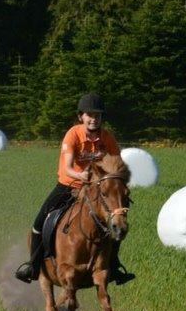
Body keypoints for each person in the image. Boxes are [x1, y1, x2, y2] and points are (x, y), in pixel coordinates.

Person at [14, 92, 135, 284]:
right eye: (89, 115)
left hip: (95, 190)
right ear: (81, 117)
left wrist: (117, 183)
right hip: (69, 185)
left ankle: (113, 266)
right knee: (38, 223)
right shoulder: (73, 134)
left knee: (115, 223)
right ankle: (33, 265)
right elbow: (68, 167)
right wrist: (80, 175)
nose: (93, 119)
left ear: (101, 118)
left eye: (97, 115)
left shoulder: (107, 138)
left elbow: (116, 165)